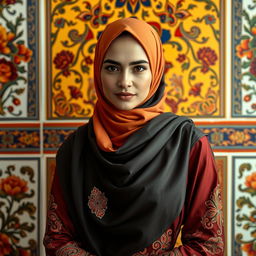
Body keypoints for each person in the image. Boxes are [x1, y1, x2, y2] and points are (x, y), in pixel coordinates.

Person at [43, 17, 224, 256]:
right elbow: (57, 240)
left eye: (138, 68)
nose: (124, 81)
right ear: (98, 71)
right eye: (112, 68)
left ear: (156, 72)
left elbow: (209, 245)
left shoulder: (187, 144)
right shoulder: (75, 149)